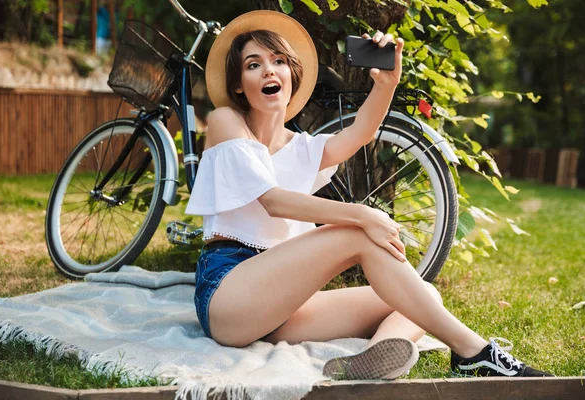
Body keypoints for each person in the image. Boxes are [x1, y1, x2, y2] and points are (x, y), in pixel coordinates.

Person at [185, 10, 553, 380]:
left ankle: (376, 355)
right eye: (254, 64)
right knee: (356, 232)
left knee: (420, 298)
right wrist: (363, 214)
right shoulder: (226, 121)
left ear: (291, 75)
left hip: (282, 307)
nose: (269, 70)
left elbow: (361, 132)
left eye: (278, 61)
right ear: (238, 84)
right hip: (228, 296)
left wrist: (386, 84)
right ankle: (476, 352)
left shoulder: (302, 148)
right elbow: (274, 200)